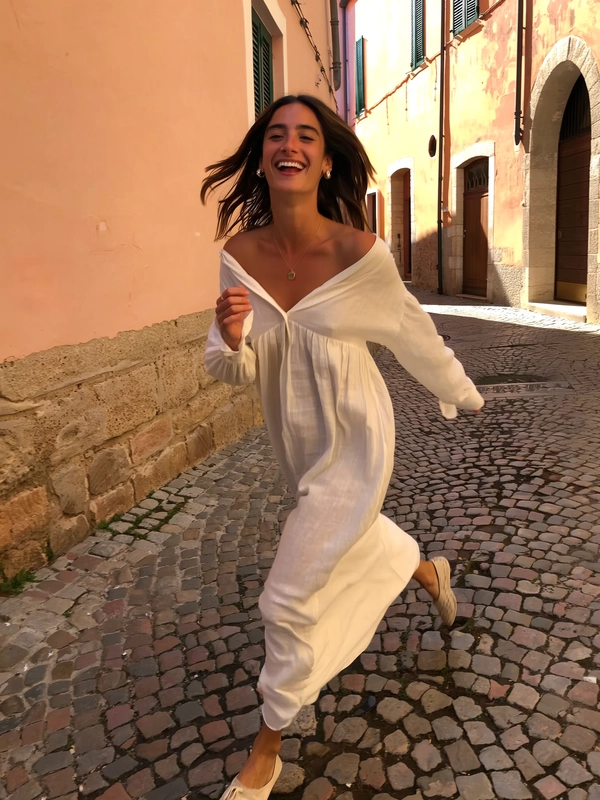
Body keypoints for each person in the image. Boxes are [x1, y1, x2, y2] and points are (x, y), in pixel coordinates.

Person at [201, 94, 484, 800]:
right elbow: (232, 366)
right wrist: (230, 338)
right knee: (353, 543)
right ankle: (429, 574)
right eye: (276, 135)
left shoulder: (361, 255)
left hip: (359, 440)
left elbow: (414, 332)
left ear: (325, 160)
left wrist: (461, 391)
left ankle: (266, 750)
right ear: (262, 156)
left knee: (287, 599)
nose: (289, 144)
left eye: (305, 135)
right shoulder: (240, 257)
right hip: (297, 448)